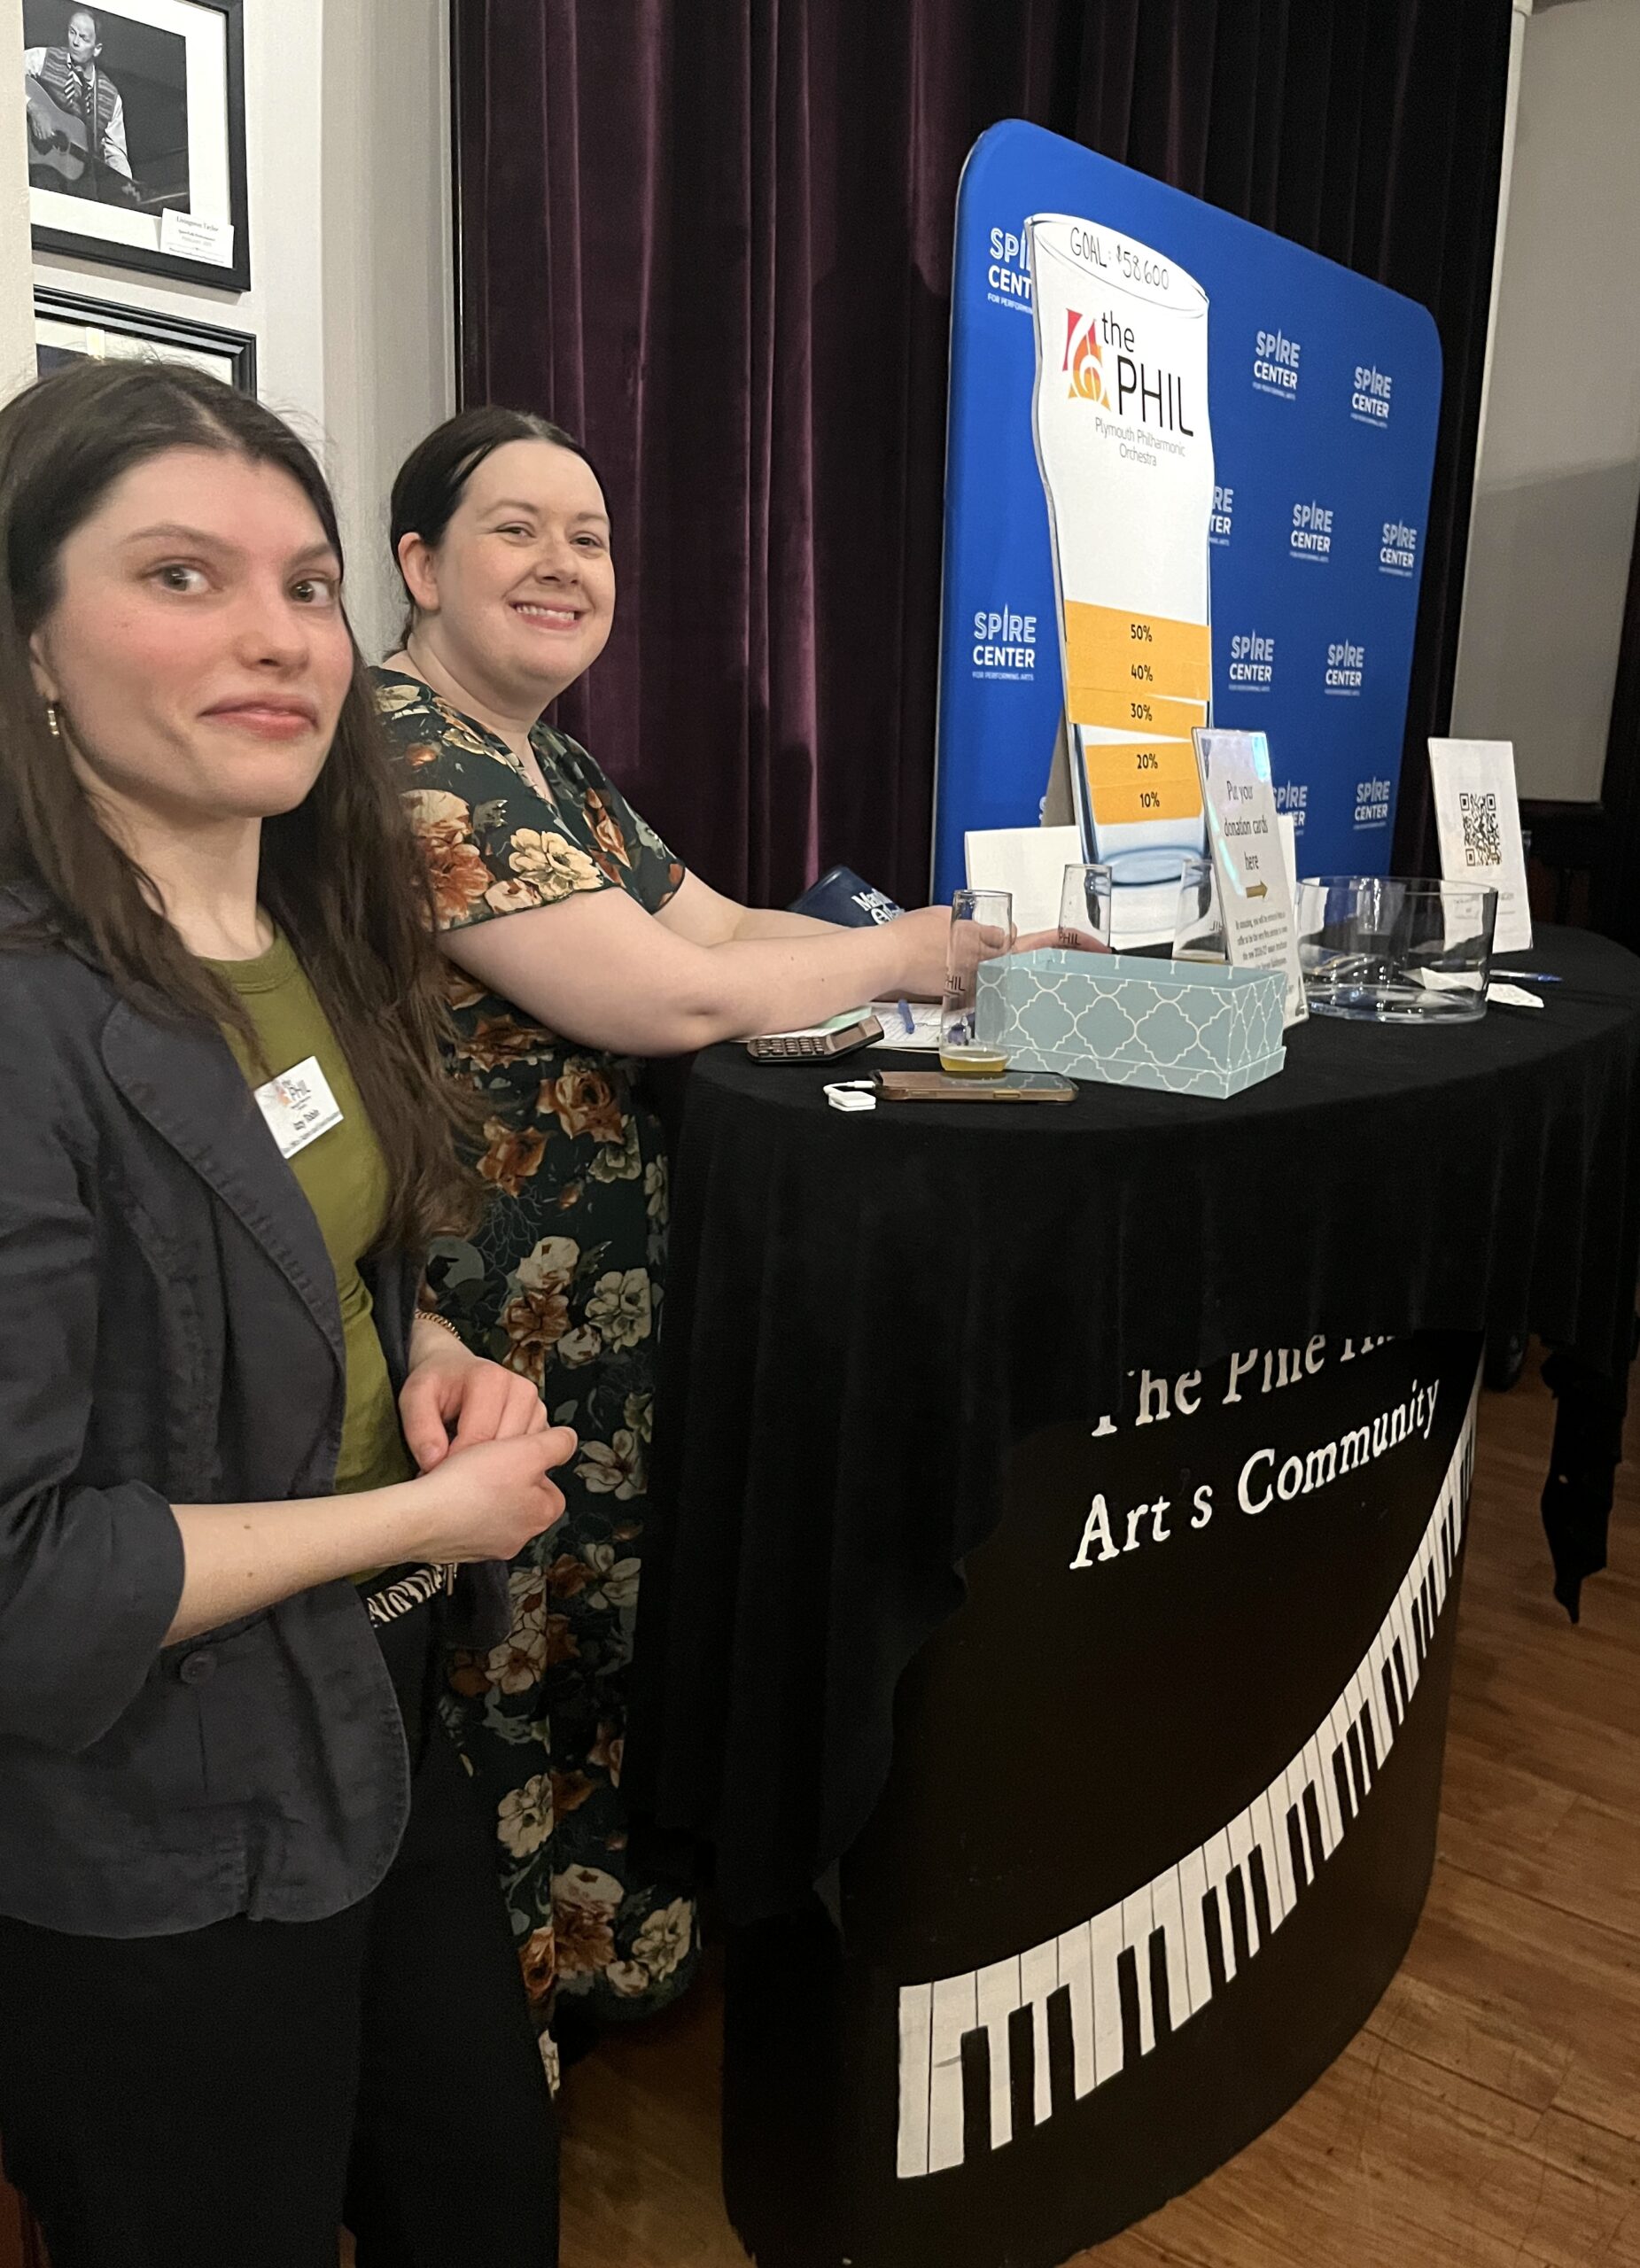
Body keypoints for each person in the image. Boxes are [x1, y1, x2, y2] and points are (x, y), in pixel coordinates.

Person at [0, 361, 576, 2268]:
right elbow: (23, 1577)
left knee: (482, 2188)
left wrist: (429, 1354)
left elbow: (330, 1250)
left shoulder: (307, 929)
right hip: (151, 1812)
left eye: (306, 585)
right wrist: (425, 1515)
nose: (277, 635)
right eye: (182, 576)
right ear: (33, 640)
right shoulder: (23, 1019)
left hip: (364, 1711)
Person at [374, 407, 958, 2054]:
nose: (562, 564)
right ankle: (486, 2038)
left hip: (602, 1292)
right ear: (420, 563)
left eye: (591, 537)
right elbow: (664, 996)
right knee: (498, 1642)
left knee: (592, 1615)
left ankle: (599, 1944)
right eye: (515, 528)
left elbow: (721, 925)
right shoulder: (403, 753)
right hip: (474, 1305)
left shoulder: (543, 758)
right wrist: (905, 956)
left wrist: (933, 941)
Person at [24, 9, 141, 204]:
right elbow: (5, 71)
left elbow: (115, 153)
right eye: (72, 32)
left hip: (80, 187)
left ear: (97, 49)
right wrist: (34, 108)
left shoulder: (111, 97)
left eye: (84, 38)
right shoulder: (42, 58)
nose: (75, 42)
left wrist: (128, 188)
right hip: (34, 174)